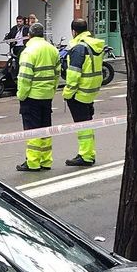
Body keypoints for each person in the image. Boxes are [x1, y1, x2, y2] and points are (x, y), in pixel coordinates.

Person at [15, 23, 60, 172]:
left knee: (32, 130)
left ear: (30, 35)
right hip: (47, 96)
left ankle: (33, 162)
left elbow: (24, 77)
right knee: (45, 129)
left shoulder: (28, 51)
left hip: (32, 97)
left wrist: (21, 95)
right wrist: (51, 90)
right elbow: (57, 74)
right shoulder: (52, 49)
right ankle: (46, 161)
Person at [60, 20, 105, 167]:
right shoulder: (93, 44)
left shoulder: (78, 47)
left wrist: (67, 93)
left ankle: (85, 156)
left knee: (82, 126)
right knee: (87, 123)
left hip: (79, 92)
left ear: (73, 31)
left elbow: (73, 74)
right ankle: (88, 153)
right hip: (90, 91)